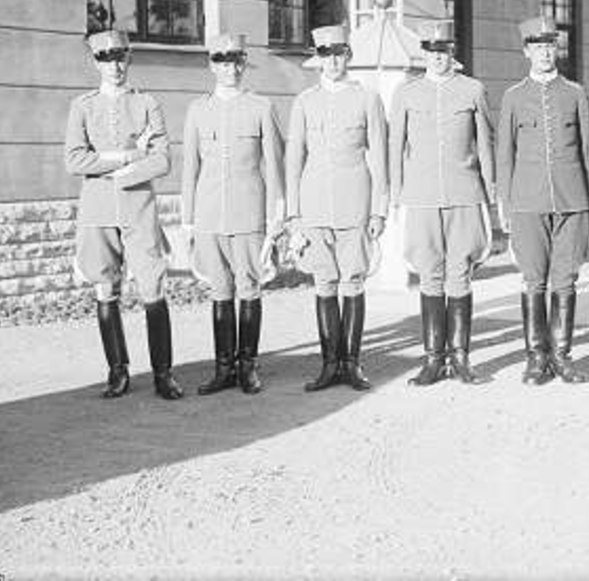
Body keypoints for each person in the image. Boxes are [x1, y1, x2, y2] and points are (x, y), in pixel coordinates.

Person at [64, 29, 183, 400]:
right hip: (98, 210)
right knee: (104, 287)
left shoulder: (146, 103)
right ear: (95, 62)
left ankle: (163, 373)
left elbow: (162, 160)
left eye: (119, 57)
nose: (114, 66)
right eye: (105, 58)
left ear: (128, 58)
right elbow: (74, 160)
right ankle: (118, 371)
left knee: (153, 286)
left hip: (138, 207)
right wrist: (129, 157)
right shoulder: (82, 106)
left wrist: (119, 171)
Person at [391, 19, 496, 386]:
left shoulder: (472, 90)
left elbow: (485, 145)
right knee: (429, 273)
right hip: (420, 196)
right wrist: (395, 196)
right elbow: (395, 147)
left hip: (464, 192)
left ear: (453, 51)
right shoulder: (407, 93)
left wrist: (490, 193)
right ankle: (434, 359)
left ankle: (461, 359)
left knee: (460, 273)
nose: (438, 57)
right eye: (431, 51)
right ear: (424, 54)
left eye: (444, 50)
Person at [180, 33, 285, 396]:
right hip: (209, 214)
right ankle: (223, 368)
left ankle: (248, 366)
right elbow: (190, 169)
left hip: (249, 212)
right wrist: (188, 221)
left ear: (244, 64)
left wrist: (276, 216)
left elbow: (274, 166)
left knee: (250, 288)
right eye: (223, 62)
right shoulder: (198, 110)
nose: (231, 69)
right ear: (212, 65)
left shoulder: (261, 107)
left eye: (237, 61)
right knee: (219, 290)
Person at [496, 16, 589, 385]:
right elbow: (504, 153)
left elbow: (588, 150)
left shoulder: (575, 93)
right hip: (527, 200)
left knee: (566, 279)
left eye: (550, 46)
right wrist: (505, 202)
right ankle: (536, 357)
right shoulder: (513, 97)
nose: (544, 53)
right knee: (533, 279)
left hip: (572, 198)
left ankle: (562, 355)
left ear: (557, 50)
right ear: (526, 52)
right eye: (537, 47)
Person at [286, 24, 389, 391]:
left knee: (353, 280)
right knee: (324, 281)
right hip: (314, 205)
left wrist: (379, 209)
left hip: (355, 202)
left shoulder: (367, 99)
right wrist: (294, 214)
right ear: (318, 59)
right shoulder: (304, 102)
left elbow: (380, 157)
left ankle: (352, 364)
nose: (332, 62)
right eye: (325, 55)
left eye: (339, 54)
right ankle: (330, 364)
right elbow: (293, 159)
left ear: (348, 56)